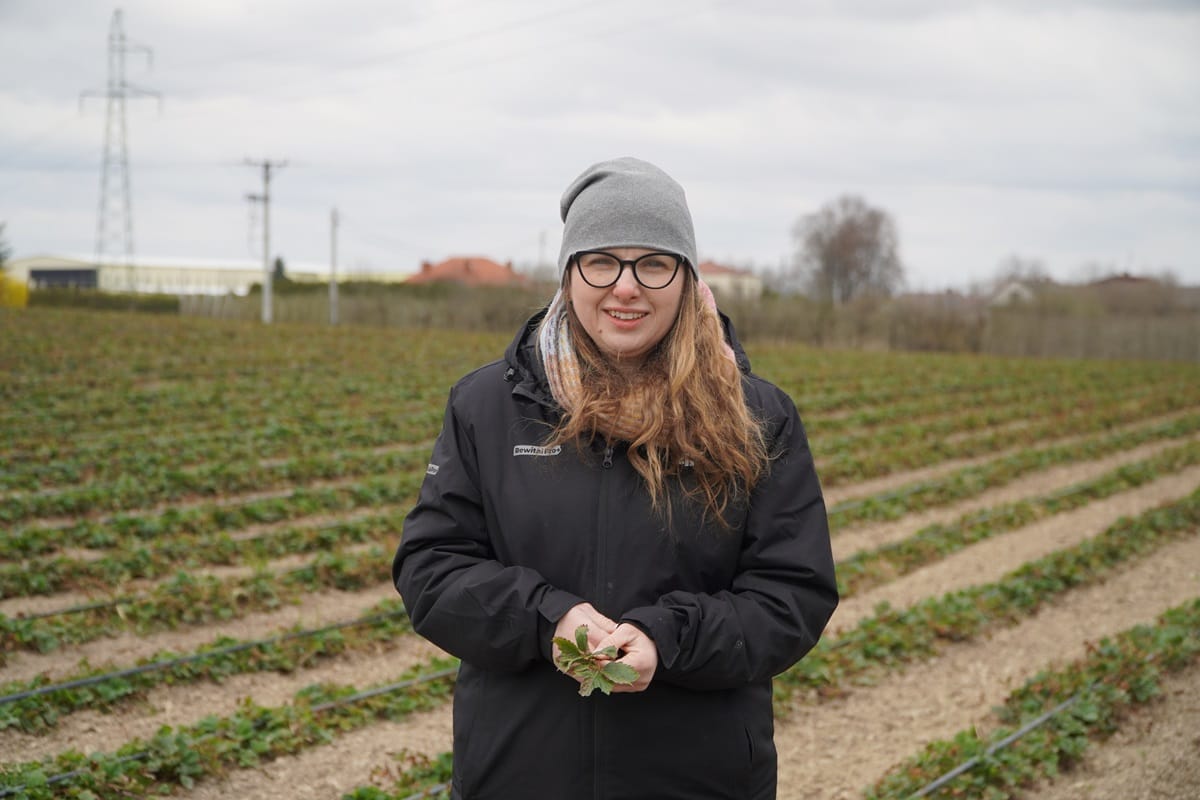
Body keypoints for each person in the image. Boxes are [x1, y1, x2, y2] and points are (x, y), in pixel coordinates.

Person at [393, 157, 837, 800]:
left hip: (697, 778)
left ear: (685, 277)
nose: (625, 287)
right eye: (601, 260)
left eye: (653, 263)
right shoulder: (488, 407)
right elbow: (431, 571)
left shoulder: (754, 416)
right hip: (520, 774)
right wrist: (548, 620)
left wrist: (671, 639)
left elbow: (791, 595)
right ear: (570, 273)